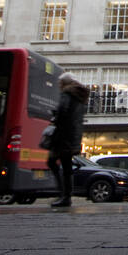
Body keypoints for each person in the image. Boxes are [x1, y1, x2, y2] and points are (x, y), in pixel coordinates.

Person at [47, 73, 89, 208]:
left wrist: (55, 117)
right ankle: (65, 195)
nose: (59, 86)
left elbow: (62, 112)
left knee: (53, 162)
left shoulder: (67, 94)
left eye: (60, 83)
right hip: (73, 136)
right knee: (66, 166)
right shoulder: (79, 97)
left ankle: (64, 195)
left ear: (64, 83)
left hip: (63, 136)